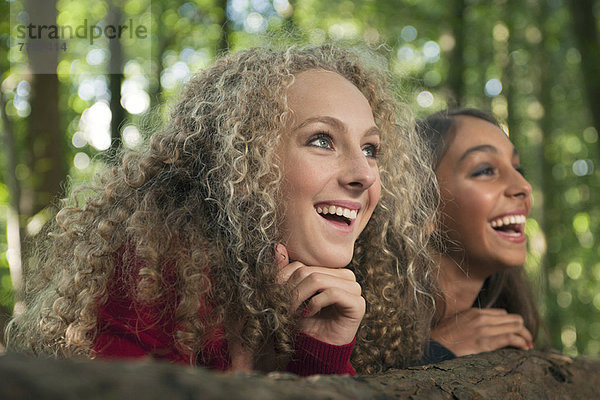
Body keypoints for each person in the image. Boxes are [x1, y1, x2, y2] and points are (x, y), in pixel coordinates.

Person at [6, 45, 439, 375]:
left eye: (371, 149)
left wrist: (320, 353)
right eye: (322, 140)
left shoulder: (334, 296)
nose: (364, 173)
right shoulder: (148, 275)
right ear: (240, 162)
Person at [416, 108, 541, 362]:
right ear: (423, 206)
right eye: (485, 170)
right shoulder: (349, 324)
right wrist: (437, 351)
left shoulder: (511, 333)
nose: (523, 187)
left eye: (519, 169)